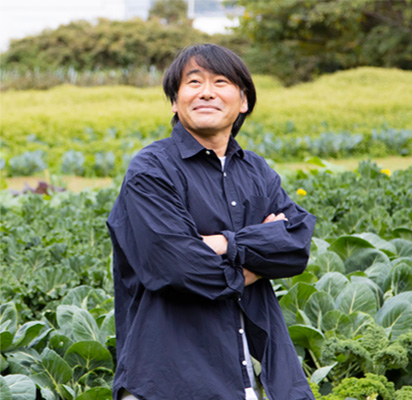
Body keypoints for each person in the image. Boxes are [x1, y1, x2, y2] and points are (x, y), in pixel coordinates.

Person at [106, 44, 316, 399]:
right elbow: (179, 268)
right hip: (167, 381)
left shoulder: (257, 171)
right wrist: (259, 257)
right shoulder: (151, 170)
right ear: (175, 101)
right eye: (193, 82)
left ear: (243, 100)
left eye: (220, 81)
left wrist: (222, 244)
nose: (206, 92)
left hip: (249, 377)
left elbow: (295, 246)